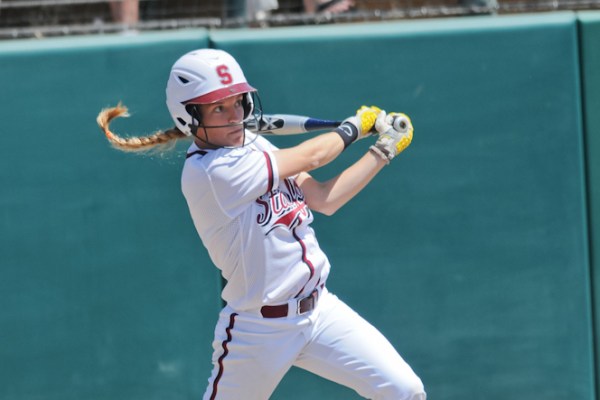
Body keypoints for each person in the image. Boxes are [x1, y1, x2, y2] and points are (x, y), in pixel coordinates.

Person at [97, 48, 425, 400]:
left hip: (320, 311)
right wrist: (352, 129)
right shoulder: (210, 171)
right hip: (259, 329)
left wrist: (382, 150)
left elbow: (325, 199)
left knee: (404, 390)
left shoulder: (254, 144)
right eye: (218, 107)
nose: (234, 114)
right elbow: (313, 155)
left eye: (237, 101)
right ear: (189, 116)